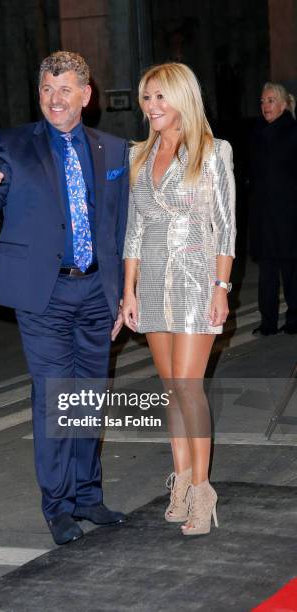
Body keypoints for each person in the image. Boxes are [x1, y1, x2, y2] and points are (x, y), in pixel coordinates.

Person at [0, 51, 129, 545]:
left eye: (65, 90)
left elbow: (119, 229)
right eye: (46, 90)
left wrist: (123, 295)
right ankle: (57, 505)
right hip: (45, 294)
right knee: (56, 398)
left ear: (86, 95)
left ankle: (87, 496)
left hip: (97, 290)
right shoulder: (14, 144)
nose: (54, 99)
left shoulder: (115, 149)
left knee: (88, 399)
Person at [122, 63, 236, 536]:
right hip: (151, 282)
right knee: (171, 388)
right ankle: (183, 480)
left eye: (161, 98)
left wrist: (221, 287)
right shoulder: (140, 155)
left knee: (189, 388)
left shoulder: (213, 151)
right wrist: (128, 290)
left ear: (182, 99)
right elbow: (135, 228)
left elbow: (225, 226)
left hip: (195, 279)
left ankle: (204, 492)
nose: (152, 108)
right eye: (147, 98)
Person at [248, 82, 297, 336]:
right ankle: (267, 322)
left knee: (291, 269)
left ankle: (294, 319)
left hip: (289, 215)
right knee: (267, 271)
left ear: (283, 104)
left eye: (270, 100)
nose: (265, 106)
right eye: (262, 101)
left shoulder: (293, 132)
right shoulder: (256, 132)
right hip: (263, 216)